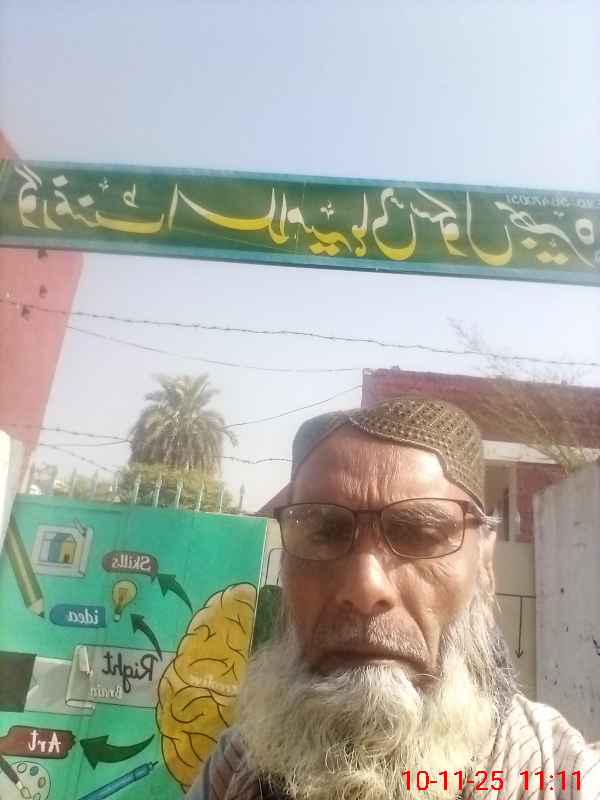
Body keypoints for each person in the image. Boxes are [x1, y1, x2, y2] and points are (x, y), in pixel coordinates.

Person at [186, 397, 600, 800]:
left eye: (419, 533)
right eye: (324, 533)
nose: (365, 588)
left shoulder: (558, 776)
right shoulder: (235, 769)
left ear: (485, 563)